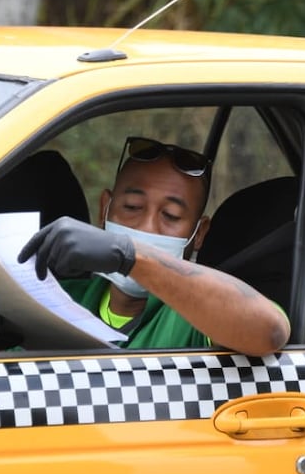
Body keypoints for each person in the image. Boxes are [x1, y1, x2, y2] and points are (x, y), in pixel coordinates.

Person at [18, 135, 291, 355]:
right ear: (105, 210)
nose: (147, 227)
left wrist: (131, 256)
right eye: (132, 207)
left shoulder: (198, 314)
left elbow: (270, 332)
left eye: (170, 216)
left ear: (199, 234)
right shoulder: (57, 299)